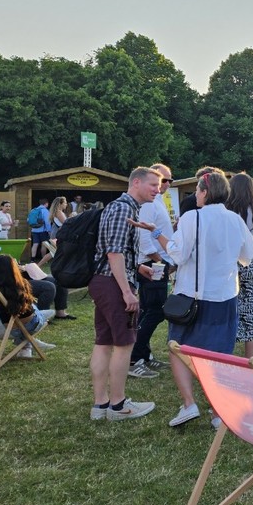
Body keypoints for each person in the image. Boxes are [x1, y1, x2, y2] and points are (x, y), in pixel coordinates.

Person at [134, 171, 253, 428]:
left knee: (177, 349)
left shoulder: (192, 218)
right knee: (220, 356)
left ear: (204, 192)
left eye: (198, 191)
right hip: (224, 295)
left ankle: (189, 403)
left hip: (193, 296)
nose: (196, 196)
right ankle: (216, 412)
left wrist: (157, 234)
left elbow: (177, 254)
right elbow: (247, 256)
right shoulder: (235, 220)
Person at [87, 167, 160, 422]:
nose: (157, 189)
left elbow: (114, 250)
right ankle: (118, 406)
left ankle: (100, 405)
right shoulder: (124, 208)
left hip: (104, 281)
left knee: (104, 343)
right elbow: (114, 253)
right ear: (136, 182)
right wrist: (127, 292)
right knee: (124, 343)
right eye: (153, 184)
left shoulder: (121, 208)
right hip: (113, 284)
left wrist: (137, 267)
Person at [129, 163, 175, 379]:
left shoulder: (157, 201)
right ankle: (133, 357)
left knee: (149, 310)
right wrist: (161, 262)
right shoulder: (149, 203)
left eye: (167, 181)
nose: (164, 185)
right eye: (160, 181)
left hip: (155, 262)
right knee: (155, 311)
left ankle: (143, 356)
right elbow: (143, 236)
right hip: (151, 264)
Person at [0, 238, 73, 320]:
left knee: (57, 281)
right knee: (48, 287)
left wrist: (20, 268)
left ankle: (60, 312)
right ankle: (39, 315)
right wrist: (13, 269)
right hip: (10, 286)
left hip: (20, 280)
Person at [226, 173, 253, 358]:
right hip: (250, 261)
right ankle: (250, 358)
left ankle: (228, 354)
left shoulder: (226, 209)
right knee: (250, 308)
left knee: (229, 308)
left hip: (230, 262)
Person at [0, 255, 53, 359]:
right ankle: (28, 344)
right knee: (37, 312)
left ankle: (26, 347)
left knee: (23, 316)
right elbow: (25, 312)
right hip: (20, 328)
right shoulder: (17, 287)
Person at [29, 197, 53, 263]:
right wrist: (49, 230)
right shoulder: (45, 210)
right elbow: (47, 222)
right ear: (46, 203)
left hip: (34, 230)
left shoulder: (33, 210)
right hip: (43, 231)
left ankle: (32, 259)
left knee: (35, 244)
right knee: (44, 244)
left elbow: (28, 220)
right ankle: (44, 259)